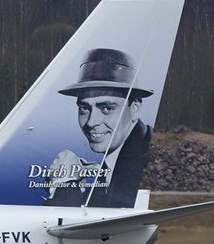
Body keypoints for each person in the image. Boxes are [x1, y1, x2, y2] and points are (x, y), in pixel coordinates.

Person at [43, 48, 152, 208]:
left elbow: (97, 225)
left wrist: (64, 183)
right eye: (84, 109)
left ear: (134, 108)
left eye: (107, 108)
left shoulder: (146, 161)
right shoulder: (119, 160)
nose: (91, 122)